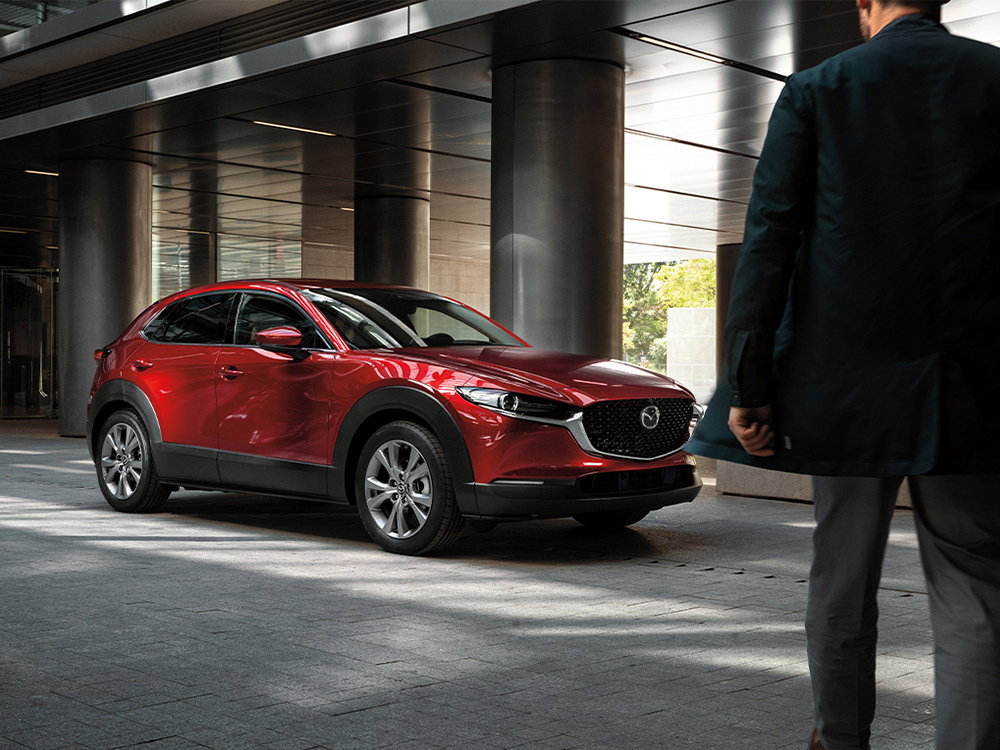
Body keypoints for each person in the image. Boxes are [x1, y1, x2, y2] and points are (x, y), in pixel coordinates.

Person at [685, 1, 1000, 748]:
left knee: (841, 579)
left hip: (846, 390)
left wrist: (751, 386)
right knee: (976, 594)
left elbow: (771, 244)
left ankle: (839, 737)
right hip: (973, 389)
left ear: (866, 5)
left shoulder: (820, 89)